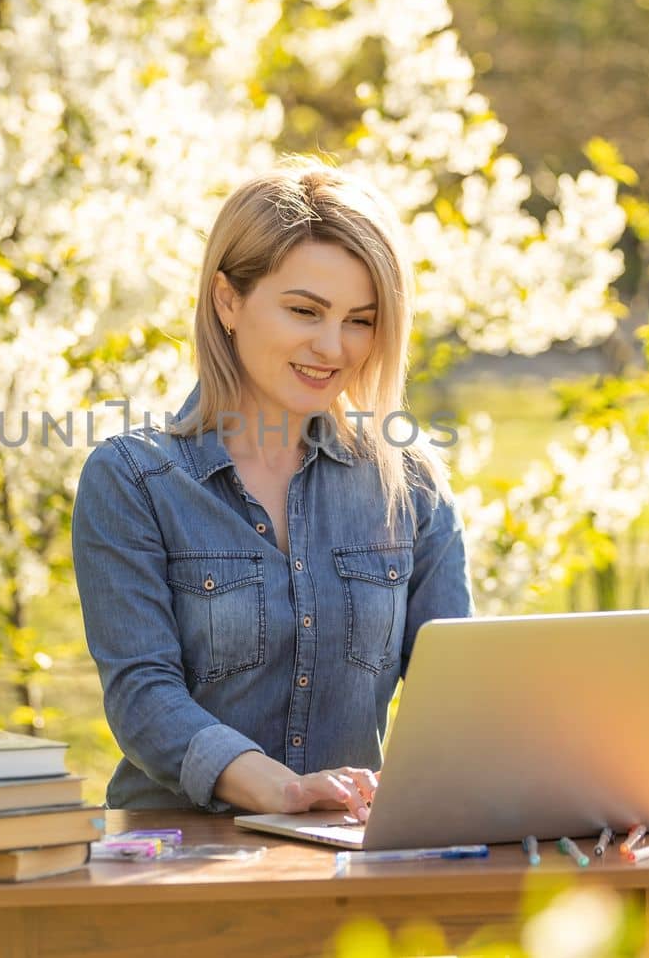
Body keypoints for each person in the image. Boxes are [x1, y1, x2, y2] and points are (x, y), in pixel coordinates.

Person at [71, 158, 473, 821]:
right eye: (304, 310)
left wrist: (565, 791)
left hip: (343, 864)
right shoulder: (133, 479)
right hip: (175, 861)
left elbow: (461, 694)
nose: (333, 346)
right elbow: (143, 696)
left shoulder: (411, 482)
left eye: (361, 320)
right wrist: (284, 790)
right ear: (228, 299)